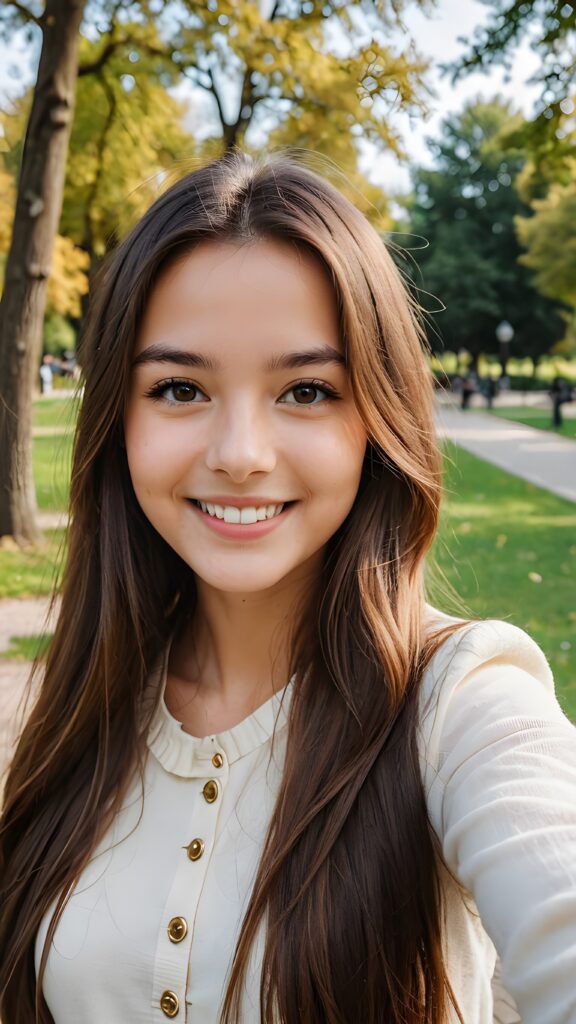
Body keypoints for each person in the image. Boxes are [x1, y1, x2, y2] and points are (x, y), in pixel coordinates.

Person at [1, 153, 575, 1024]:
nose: (239, 452)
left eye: (306, 390)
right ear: (119, 419)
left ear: (376, 422)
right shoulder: (91, 700)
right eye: (180, 388)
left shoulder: (463, 707)